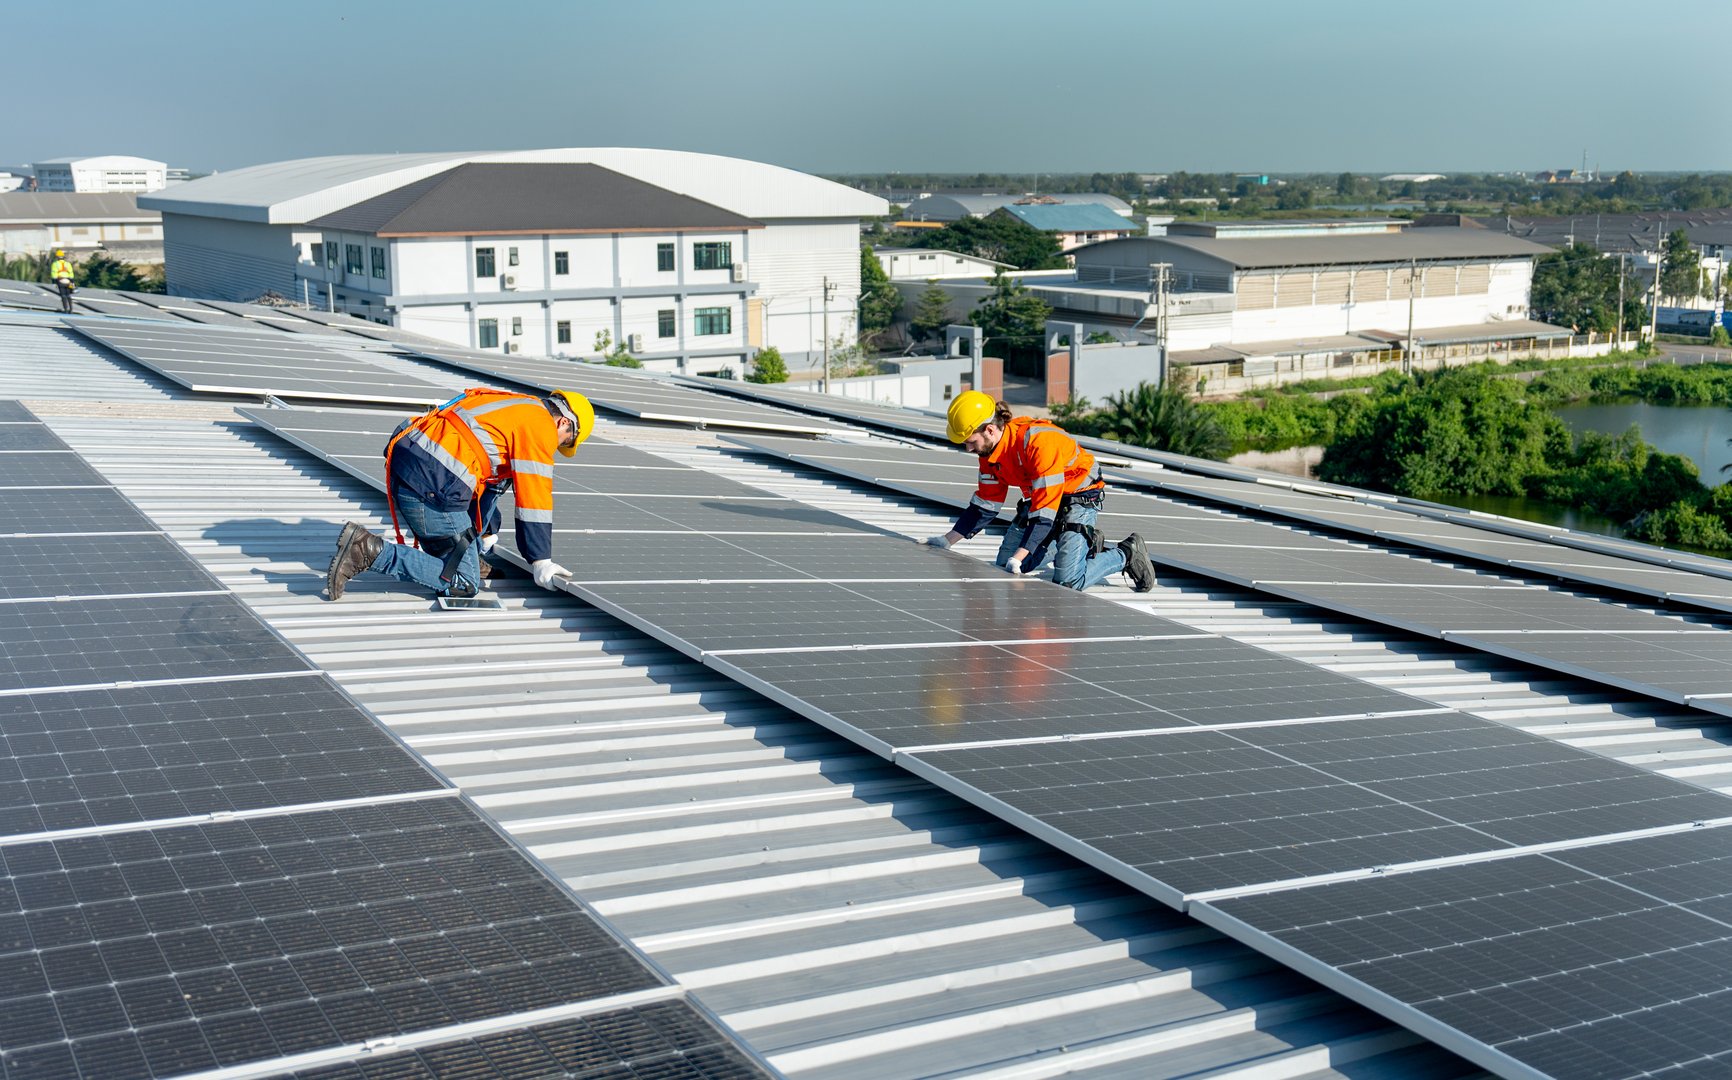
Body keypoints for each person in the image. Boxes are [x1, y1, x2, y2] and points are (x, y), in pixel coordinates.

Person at [326, 387, 595, 601]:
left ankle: (470, 556)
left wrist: (487, 534)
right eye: (565, 443)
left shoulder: (518, 406)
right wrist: (540, 560)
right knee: (464, 581)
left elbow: (490, 482)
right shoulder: (541, 429)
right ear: (563, 424)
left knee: (464, 547)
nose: (556, 447)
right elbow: (535, 498)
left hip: (413, 468)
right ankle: (368, 550)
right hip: (432, 485)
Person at [925, 391, 1156, 593]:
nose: (968, 448)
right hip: (1041, 497)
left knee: (1068, 580)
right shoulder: (989, 453)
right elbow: (986, 503)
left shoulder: (1037, 443)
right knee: (1005, 564)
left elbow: (1045, 510)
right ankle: (1076, 542)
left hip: (1079, 495)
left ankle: (1126, 553)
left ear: (990, 430)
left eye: (970, 441)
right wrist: (947, 540)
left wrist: (1020, 554)